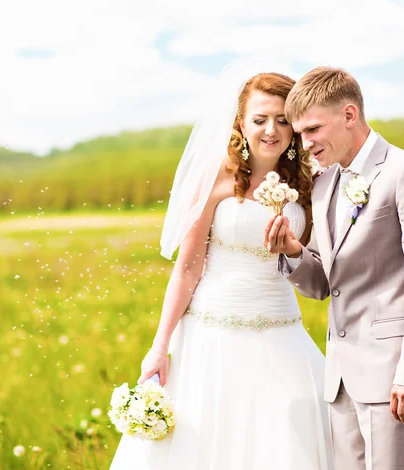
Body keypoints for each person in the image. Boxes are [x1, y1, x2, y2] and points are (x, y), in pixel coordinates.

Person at [109, 65, 333, 470]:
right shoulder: (216, 177)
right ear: (241, 124)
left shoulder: (311, 182)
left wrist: (294, 248)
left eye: (283, 120)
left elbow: (320, 268)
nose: (271, 130)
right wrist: (159, 348)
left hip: (283, 332)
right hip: (210, 336)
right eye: (260, 119)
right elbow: (187, 269)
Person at [265, 66, 404, 470]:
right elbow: (322, 285)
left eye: (313, 129)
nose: (305, 143)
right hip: (339, 377)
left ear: (349, 115)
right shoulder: (323, 184)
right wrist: (295, 253)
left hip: (393, 374)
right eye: (300, 134)